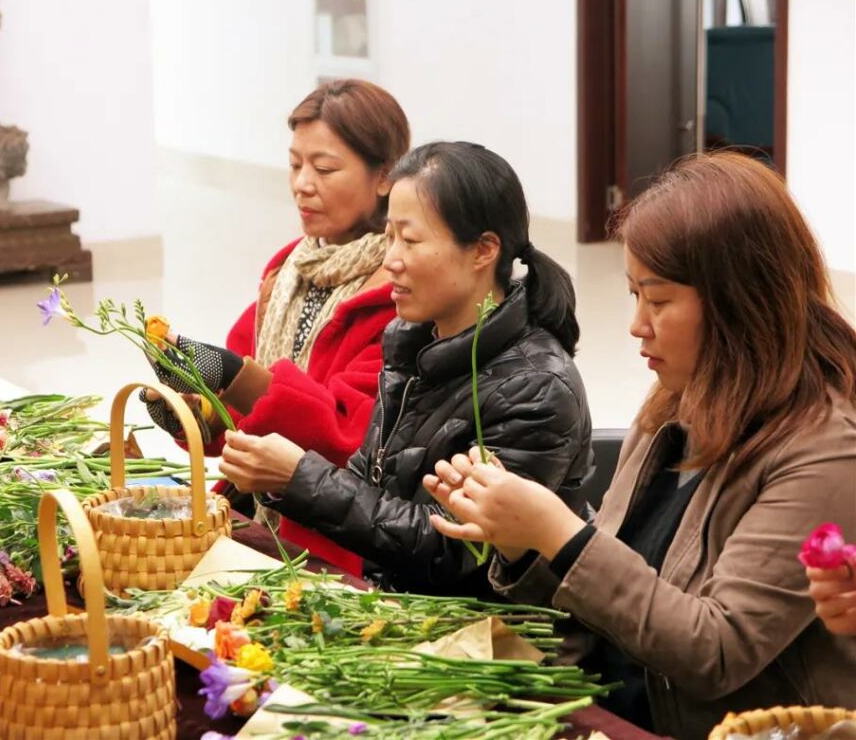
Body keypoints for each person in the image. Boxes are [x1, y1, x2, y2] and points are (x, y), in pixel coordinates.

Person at [426, 152, 856, 736]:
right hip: (606, 712)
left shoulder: (824, 448)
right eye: (633, 296)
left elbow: (717, 651)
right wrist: (524, 542)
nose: (636, 324)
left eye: (657, 300)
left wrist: (558, 532)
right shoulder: (675, 403)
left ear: (738, 303)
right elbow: (608, 599)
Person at [218, 141, 592, 595]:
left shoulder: (537, 388)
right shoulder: (413, 341)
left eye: (410, 240)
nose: (390, 259)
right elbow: (366, 486)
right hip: (393, 599)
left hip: (482, 631)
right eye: (390, 235)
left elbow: (453, 551)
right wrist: (282, 480)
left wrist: (298, 477)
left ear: (483, 250)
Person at [143, 79, 410, 575]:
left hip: (335, 535)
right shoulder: (286, 271)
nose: (302, 184)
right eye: (294, 164)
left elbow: (348, 437)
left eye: (325, 168)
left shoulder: (397, 291)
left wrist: (234, 375)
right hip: (261, 511)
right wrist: (199, 415)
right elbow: (241, 424)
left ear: (384, 176)